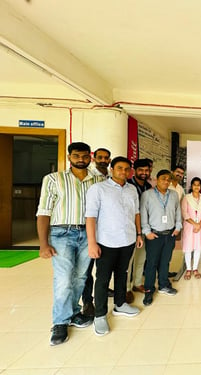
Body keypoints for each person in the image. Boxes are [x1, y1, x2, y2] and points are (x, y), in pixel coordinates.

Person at [36, 142, 102, 346]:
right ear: (69, 156)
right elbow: (44, 211)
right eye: (76, 156)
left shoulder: (99, 180)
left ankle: (73, 313)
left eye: (84, 156)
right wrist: (43, 243)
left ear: (89, 157)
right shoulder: (54, 179)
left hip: (89, 233)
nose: (80, 159)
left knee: (81, 276)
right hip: (62, 233)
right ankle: (60, 322)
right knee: (64, 278)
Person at [86, 156, 143, 336]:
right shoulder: (98, 189)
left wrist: (139, 234)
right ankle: (100, 315)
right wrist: (92, 243)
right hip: (106, 242)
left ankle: (120, 304)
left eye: (127, 169)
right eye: (120, 168)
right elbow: (91, 217)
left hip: (128, 240)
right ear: (112, 169)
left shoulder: (132, 189)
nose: (124, 172)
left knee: (122, 274)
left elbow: (136, 213)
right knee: (102, 279)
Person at [141, 170, 182, 306]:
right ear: (157, 180)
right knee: (151, 263)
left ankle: (164, 285)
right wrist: (147, 232)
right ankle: (149, 289)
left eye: (168, 179)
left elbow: (178, 211)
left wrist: (177, 227)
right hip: (154, 234)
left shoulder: (174, 195)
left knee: (165, 262)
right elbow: (143, 214)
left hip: (169, 234)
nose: (166, 181)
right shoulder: (147, 195)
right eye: (163, 179)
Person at [82, 147, 111, 317]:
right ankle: (87, 301)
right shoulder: (89, 177)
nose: (103, 160)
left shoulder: (109, 177)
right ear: (94, 158)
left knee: (102, 266)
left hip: (105, 230)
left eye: (106, 158)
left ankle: (104, 290)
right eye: (100, 157)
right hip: (90, 228)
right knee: (87, 268)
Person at [125, 159, 153, 301]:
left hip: (144, 227)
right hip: (130, 228)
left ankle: (136, 283)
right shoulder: (127, 185)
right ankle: (126, 289)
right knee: (128, 261)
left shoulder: (148, 187)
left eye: (146, 170)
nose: (144, 173)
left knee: (141, 258)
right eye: (141, 170)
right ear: (134, 171)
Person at [181, 177, 201, 280]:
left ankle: (195, 269)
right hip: (189, 226)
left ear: (200, 186)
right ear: (191, 186)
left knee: (198, 248)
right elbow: (184, 213)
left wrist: (199, 225)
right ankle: (188, 269)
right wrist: (195, 224)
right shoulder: (186, 198)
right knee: (188, 248)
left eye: (198, 185)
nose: (196, 187)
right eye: (194, 184)